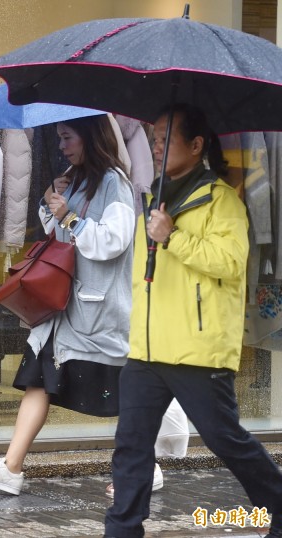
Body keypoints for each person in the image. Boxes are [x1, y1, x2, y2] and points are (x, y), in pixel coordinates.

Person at [104, 104, 282, 538]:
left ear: (197, 145)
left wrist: (174, 236)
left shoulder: (221, 200)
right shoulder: (152, 197)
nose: (156, 145)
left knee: (227, 442)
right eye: (154, 137)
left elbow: (229, 261)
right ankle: (123, 529)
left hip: (197, 350)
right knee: (131, 448)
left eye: (166, 138)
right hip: (147, 349)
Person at [0, 115, 135, 495]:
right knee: (37, 379)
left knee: (127, 392)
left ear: (89, 136)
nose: (61, 146)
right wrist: (49, 202)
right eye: (58, 138)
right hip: (64, 312)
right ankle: (11, 466)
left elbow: (114, 242)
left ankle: (142, 468)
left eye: (67, 137)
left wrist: (67, 214)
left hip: (96, 313)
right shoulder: (76, 179)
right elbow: (59, 238)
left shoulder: (115, 184)